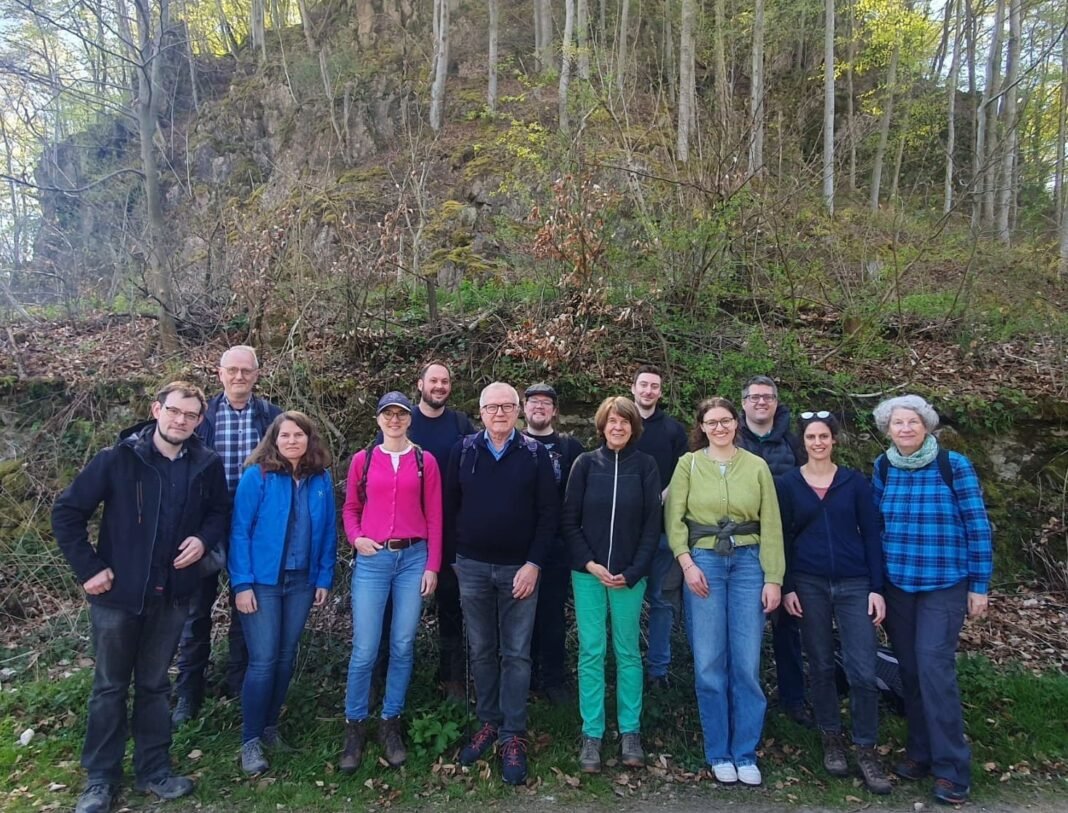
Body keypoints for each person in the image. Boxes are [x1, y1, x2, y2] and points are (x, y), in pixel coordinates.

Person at [52, 382, 230, 813]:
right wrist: (90, 569)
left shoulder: (206, 463)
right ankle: (100, 779)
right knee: (109, 687)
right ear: (156, 410)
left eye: (190, 415)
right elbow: (67, 512)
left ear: (199, 421)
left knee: (154, 686)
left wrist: (203, 540)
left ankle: (154, 771)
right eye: (174, 411)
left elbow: (220, 512)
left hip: (172, 596)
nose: (180, 420)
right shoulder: (118, 458)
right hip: (118, 596)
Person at [871, 395, 992, 806]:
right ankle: (920, 753)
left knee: (934, 669)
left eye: (913, 422)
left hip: (944, 583)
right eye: (898, 423)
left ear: (926, 426)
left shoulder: (952, 465)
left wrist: (980, 585)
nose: (905, 429)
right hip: (899, 585)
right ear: (888, 429)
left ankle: (952, 768)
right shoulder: (883, 467)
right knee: (909, 671)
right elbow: (876, 526)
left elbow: (977, 525)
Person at [666, 397, 784, 787]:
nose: (719, 427)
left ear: (737, 423)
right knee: (708, 662)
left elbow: (771, 524)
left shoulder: (756, 466)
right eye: (711, 422)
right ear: (701, 427)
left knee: (746, 662)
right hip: (704, 562)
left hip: (749, 563)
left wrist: (773, 578)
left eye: (726, 420)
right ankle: (718, 751)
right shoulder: (688, 464)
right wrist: (687, 564)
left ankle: (745, 752)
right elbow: (674, 520)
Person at [445, 382, 559, 785]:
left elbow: (549, 514)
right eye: (492, 407)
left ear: (518, 411)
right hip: (472, 567)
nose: (499, 413)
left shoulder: (535, 454)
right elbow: (448, 508)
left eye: (507, 406)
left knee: (516, 654)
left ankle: (513, 734)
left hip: (519, 571)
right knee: (481, 650)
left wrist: (534, 564)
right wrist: (454, 560)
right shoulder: (463, 451)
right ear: (480, 412)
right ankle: (488, 722)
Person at [776, 412, 891, 794]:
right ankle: (831, 738)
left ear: (834, 440)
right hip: (808, 582)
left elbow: (871, 535)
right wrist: (788, 586)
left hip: (855, 583)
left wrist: (877, 587)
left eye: (824, 436)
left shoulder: (854, 482)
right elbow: (783, 538)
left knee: (862, 669)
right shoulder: (789, 484)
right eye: (811, 437)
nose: (818, 442)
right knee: (822, 665)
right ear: (803, 442)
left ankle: (866, 747)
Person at [172, 345, 282, 726]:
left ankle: (240, 685)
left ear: (256, 375)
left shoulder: (271, 417)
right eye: (232, 370)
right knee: (196, 610)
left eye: (246, 371)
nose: (239, 377)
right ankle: (189, 692)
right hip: (206, 526)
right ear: (219, 374)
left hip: (253, 528)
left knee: (246, 607)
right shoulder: (201, 417)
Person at [229, 411, 337, 775]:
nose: (292, 441)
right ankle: (250, 739)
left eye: (299, 435)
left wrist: (323, 578)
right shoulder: (257, 476)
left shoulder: (320, 478)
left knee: (286, 657)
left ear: (309, 439)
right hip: (263, 582)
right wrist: (242, 583)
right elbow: (239, 531)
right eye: (285, 435)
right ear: (274, 440)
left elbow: (328, 531)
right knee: (263, 660)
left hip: (302, 582)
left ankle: (270, 727)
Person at [339, 392, 443, 772]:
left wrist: (432, 566)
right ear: (378, 419)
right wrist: (356, 538)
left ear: (410, 419)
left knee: (402, 643)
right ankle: (354, 726)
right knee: (365, 648)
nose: (394, 420)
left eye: (401, 414)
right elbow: (351, 507)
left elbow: (435, 515)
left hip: (413, 559)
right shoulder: (363, 460)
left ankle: (390, 721)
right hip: (373, 560)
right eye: (388, 414)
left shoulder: (425, 461)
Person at [561, 396, 660, 774]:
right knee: (591, 650)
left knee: (628, 651)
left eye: (625, 422)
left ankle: (630, 731)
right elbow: (569, 520)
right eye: (612, 421)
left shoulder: (646, 466)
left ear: (634, 427)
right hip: (588, 574)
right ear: (602, 426)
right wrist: (590, 563)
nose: (618, 427)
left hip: (629, 578)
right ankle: (592, 733)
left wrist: (633, 571)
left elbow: (652, 525)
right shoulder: (585, 464)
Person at [736, 374, 811, 727]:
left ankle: (793, 697)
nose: (761, 402)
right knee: (742, 626)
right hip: (743, 543)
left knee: (787, 624)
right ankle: (742, 696)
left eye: (767, 397)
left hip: (787, 541)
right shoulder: (731, 438)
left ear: (776, 403)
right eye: (755, 397)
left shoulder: (794, 443)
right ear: (744, 403)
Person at [409, 361, 476, 701]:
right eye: (433, 380)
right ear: (420, 385)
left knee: (450, 605)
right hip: (408, 530)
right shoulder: (402, 420)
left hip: (449, 530)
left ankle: (452, 679)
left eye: (445, 381)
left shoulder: (460, 424)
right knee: (396, 607)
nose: (439, 386)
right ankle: (388, 678)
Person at [522, 382, 584, 705]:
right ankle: (525, 675)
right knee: (520, 614)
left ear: (555, 411)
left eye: (546, 402)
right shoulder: (513, 444)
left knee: (553, 614)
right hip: (519, 544)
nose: (539, 407)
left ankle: (554, 678)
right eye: (534, 402)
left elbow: (581, 497)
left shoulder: (570, 449)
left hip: (557, 546)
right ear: (524, 408)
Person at [630, 365, 688, 689]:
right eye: (644, 384)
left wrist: (662, 496)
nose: (648, 390)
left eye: (654, 386)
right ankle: (627, 666)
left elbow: (684, 471)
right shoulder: (622, 423)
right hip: (626, 535)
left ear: (660, 392)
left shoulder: (673, 430)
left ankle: (658, 670)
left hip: (664, 532)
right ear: (633, 388)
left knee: (661, 601)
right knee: (625, 602)